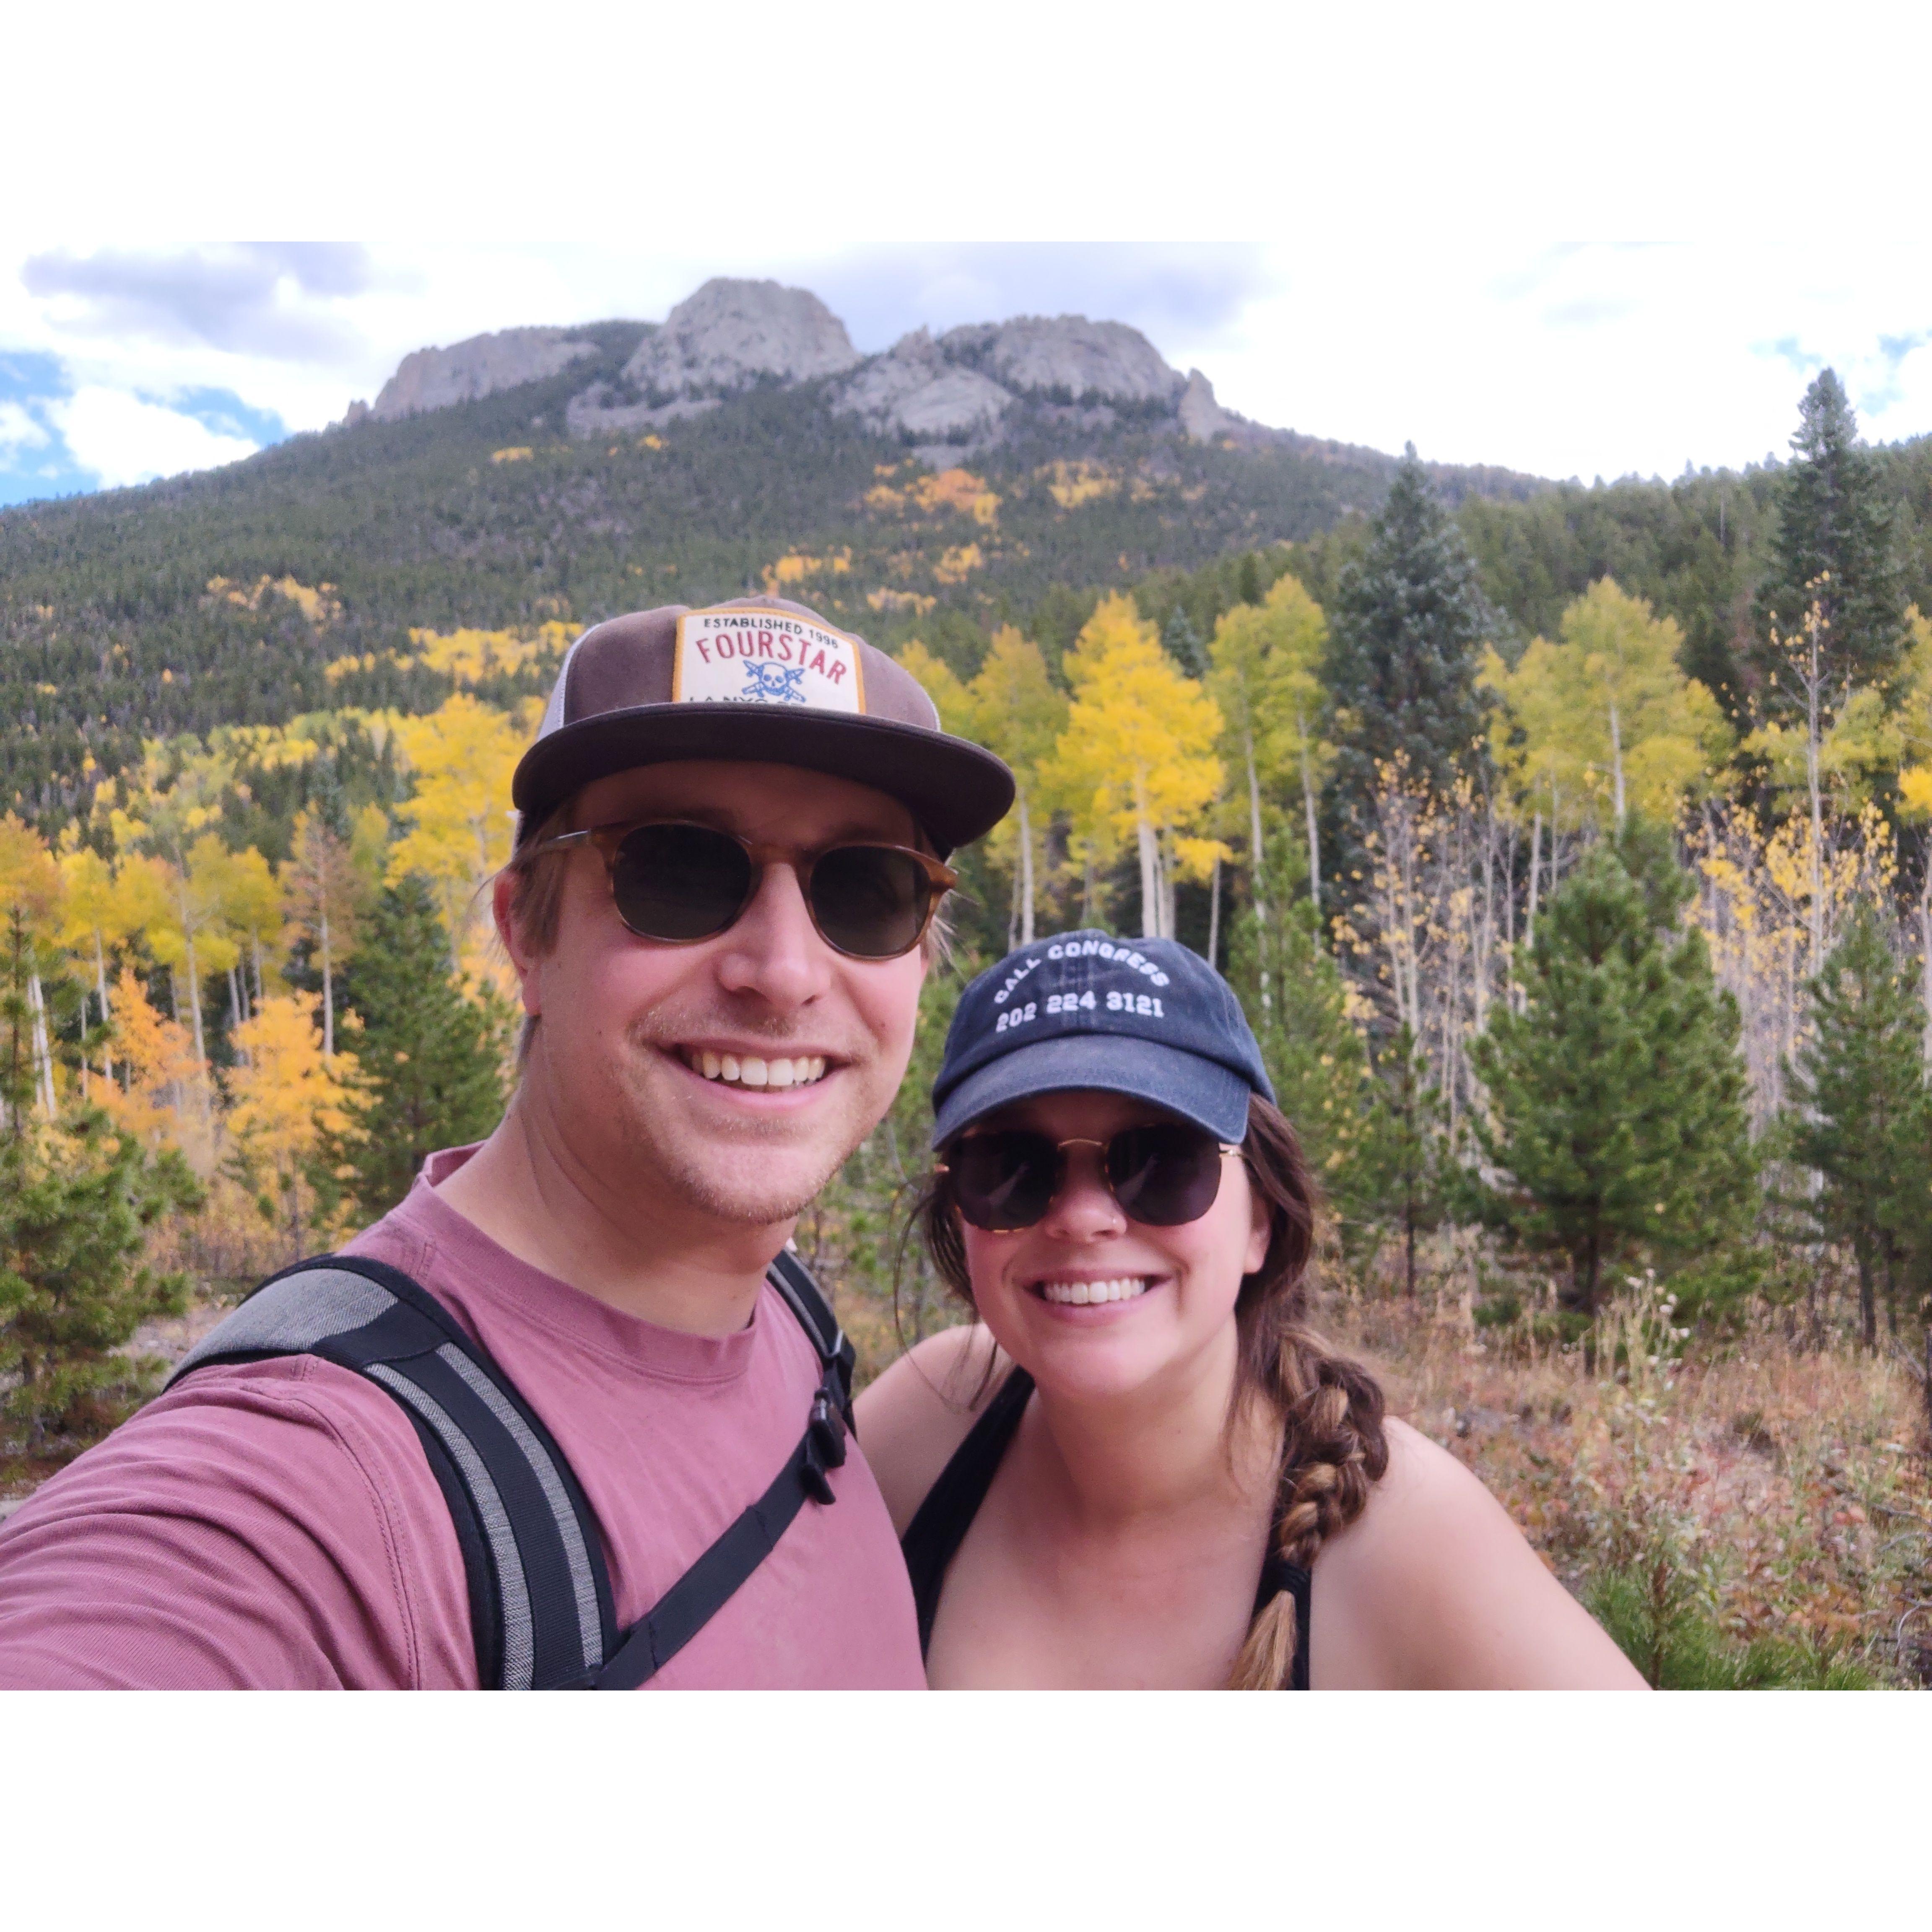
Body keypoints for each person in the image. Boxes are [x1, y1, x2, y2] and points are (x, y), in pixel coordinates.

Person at [0, 596, 1013, 1689]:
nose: (783, 969)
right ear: (525, 930)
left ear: (920, 958)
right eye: (678, 869)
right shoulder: (329, 1480)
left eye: (867, 891)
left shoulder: (794, 1324)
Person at [858, 932, 1644, 1689]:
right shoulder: (930, 1422)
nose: (1082, 1217)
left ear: (1261, 1219)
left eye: (1162, 1161)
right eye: (1009, 1167)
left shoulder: (1402, 1536)